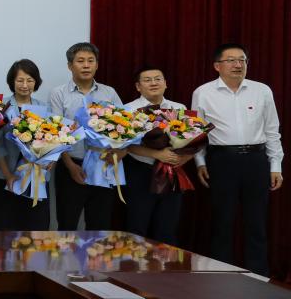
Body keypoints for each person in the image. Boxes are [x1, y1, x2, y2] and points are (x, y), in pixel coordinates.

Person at [193, 44, 283, 276]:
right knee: (222, 222)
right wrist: (200, 163)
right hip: (222, 161)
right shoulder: (203, 92)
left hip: (256, 160)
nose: (238, 65)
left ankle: (259, 277)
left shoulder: (261, 90)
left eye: (242, 60)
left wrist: (275, 165)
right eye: (231, 60)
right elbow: (196, 133)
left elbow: (272, 130)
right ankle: (221, 277)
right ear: (217, 66)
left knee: (257, 223)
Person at [48, 42, 124, 230]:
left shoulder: (109, 92)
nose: (86, 65)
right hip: (71, 165)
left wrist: (120, 152)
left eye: (91, 61)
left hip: (103, 165)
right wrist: (70, 166)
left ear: (97, 65)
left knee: (100, 224)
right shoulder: (58, 93)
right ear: (70, 66)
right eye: (80, 61)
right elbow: (55, 133)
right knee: (67, 224)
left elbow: (124, 126)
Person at [123, 66, 189, 246]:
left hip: (171, 171)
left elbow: (192, 140)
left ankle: (166, 264)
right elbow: (125, 145)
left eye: (158, 79)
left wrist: (183, 158)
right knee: (137, 226)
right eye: (147, 80)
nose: (153, 83)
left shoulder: (179, 108)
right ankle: (135, 264)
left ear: (165, 83)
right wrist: (157, 154)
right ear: (138, 86)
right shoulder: (129, 110)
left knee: (167, 227)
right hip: (140, 171)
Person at [0, 59, 50, 231]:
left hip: (35, 177)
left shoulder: (44, 108)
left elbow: (53, 141)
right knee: (3, 226)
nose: (25, 85)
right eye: (20, 80)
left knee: (34, 227)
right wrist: (8, 175)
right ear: (12, 81)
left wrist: (50, 162)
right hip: (5, 175)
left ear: (36, 82)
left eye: (30, 80)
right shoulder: (2, 106)